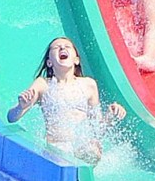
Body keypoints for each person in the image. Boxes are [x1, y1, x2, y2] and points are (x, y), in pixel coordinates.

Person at [7, 37, 126, 165]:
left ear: (76, 60)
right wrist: (21, 106)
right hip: (56, 149)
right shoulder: (43, 84)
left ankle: (83, 170)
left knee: (92, 148)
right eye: (56, 47)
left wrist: (110, 115)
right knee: (66, 153)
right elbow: (11, 118)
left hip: (82, 148)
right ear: (49, 62)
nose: (62, 48)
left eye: (67, 46)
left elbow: (97, 129)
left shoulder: (88, 85)